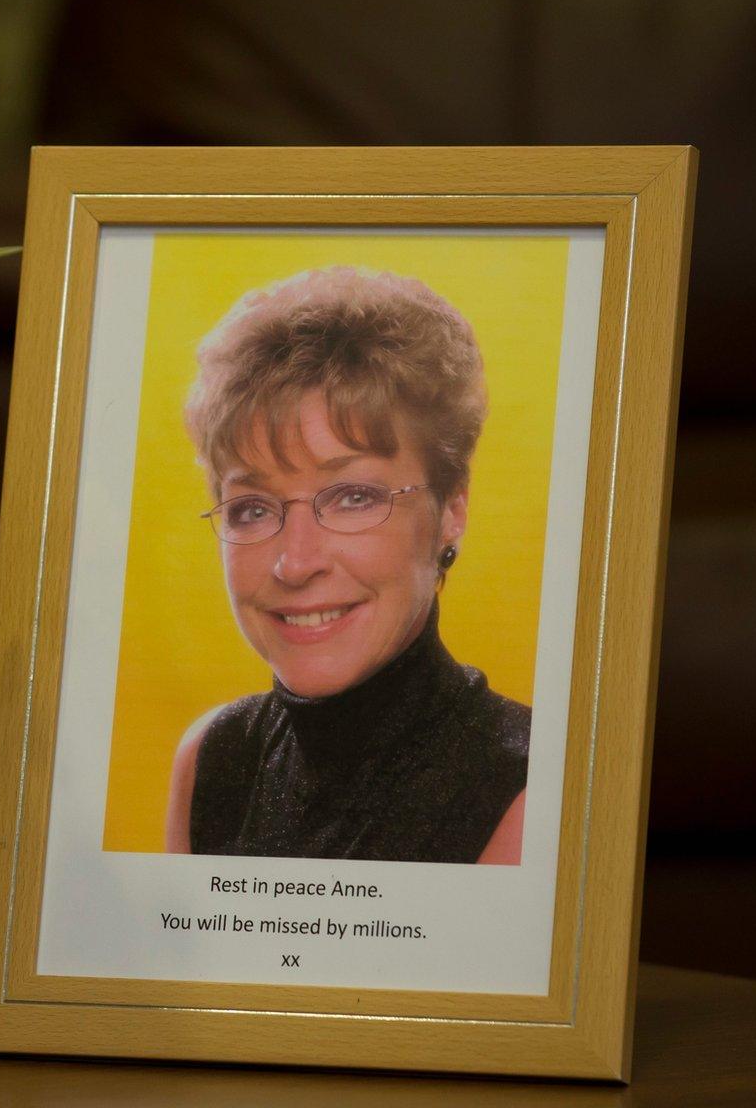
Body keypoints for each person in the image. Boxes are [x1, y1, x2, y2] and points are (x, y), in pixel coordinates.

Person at [163, 266, 528, 864]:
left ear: (450, 510)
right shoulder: (213, 760)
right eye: (252, 508)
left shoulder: (528, 789)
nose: (295, 562)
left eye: (354, 497)